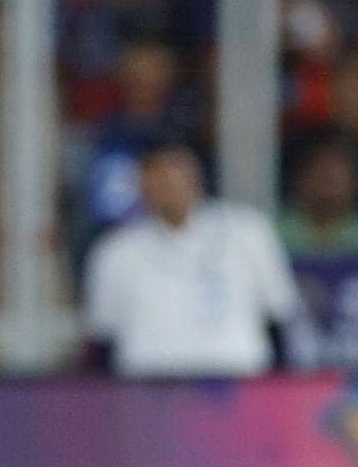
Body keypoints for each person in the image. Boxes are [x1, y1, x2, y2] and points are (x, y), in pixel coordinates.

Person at [82, 136, 299, 377]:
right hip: (147, 385)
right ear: (141, 185)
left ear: (197, 177)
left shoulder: (248, 230)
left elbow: (279, 315)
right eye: (156, 178)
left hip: (236, 382)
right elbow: (102, 337)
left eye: (175, 174)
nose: (168, 186)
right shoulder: (116, 250)